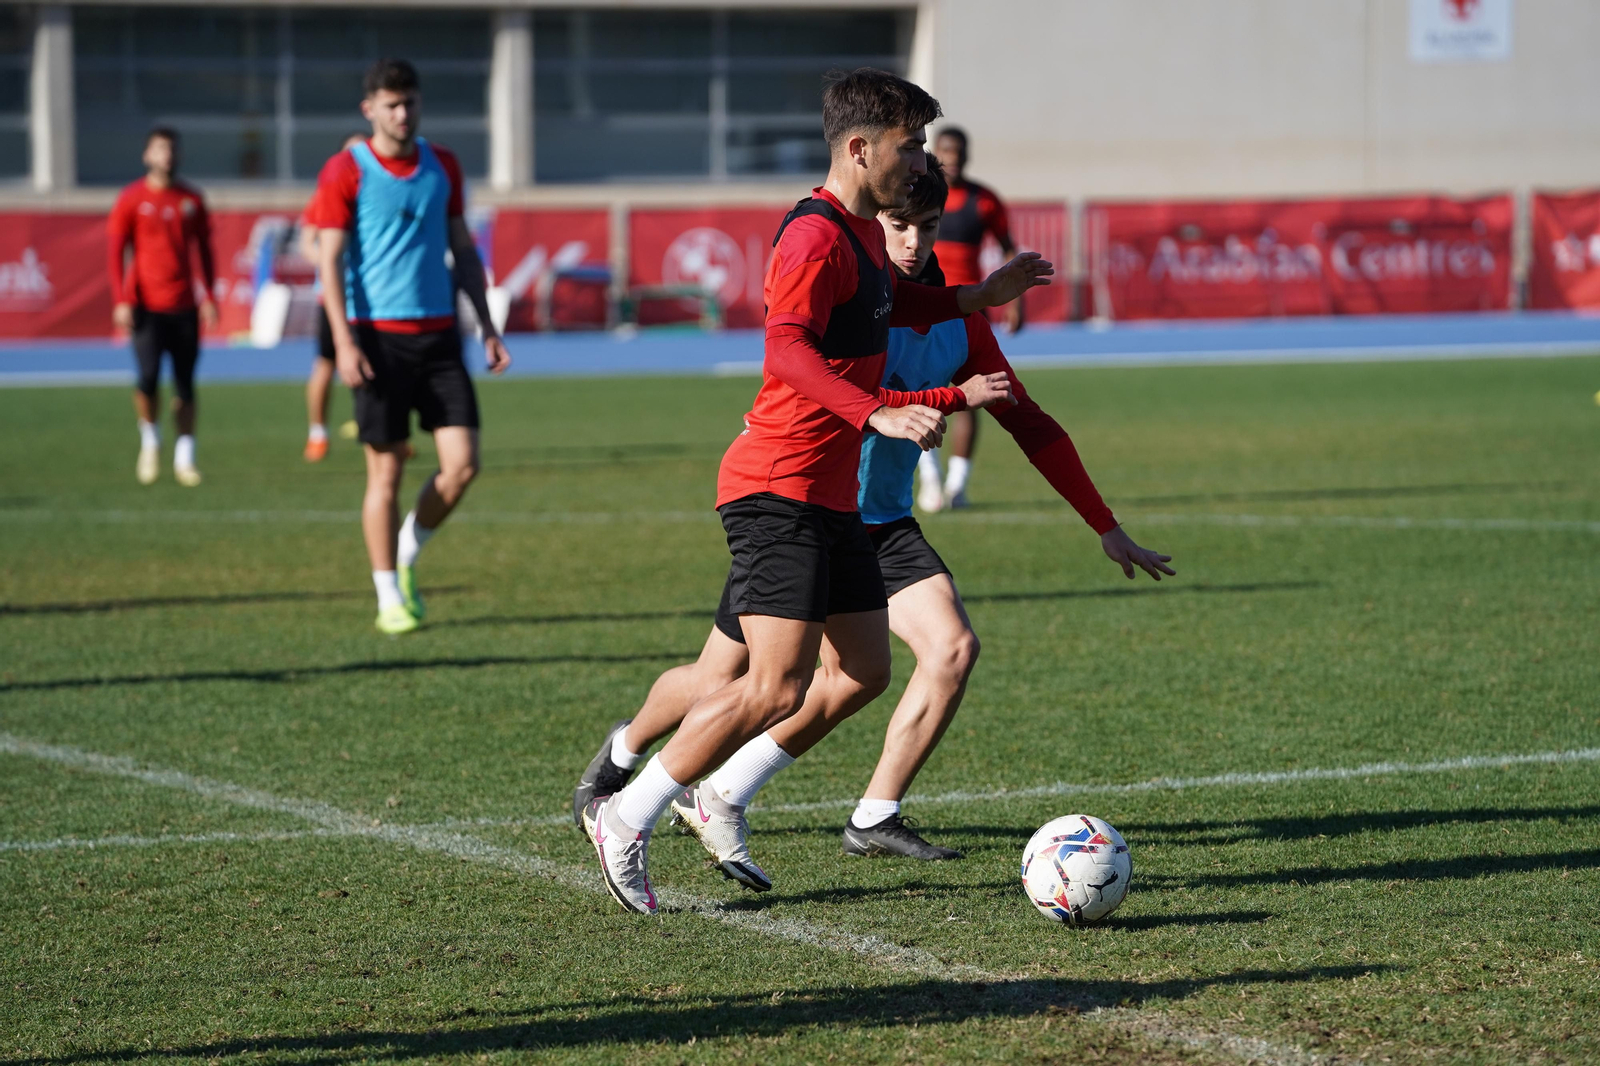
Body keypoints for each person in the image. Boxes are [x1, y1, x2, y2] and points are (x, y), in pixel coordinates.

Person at [573, 156, 1173, 874]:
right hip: (800, 504)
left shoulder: (958, 322)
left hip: (878, 523)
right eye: (900, 225)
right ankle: (624, 758)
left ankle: (848, 808)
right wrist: (953, 400)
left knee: (938, 651)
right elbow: (821, 393)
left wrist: (1104, 524)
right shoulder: (850, 297)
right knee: (723, 682)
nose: (915, 241)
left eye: (927, 227)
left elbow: (1031, 424)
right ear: (872, 220)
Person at [582, 67, 1052, 916]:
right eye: (909, 146)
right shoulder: (811, 237)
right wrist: (877, 412)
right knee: (772, 686)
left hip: (830, 497)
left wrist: (979, 296)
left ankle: (719, 796)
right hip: (776, 487)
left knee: (866, 668)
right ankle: (629, 812)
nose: (919, 162)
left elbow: (889, 303)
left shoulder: (865, 233)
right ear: (861, 148)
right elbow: (786, 352)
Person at [315, 58, 511, 635]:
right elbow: (327, 262)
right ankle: (386, 594)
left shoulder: (442, 163)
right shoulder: (345, 170)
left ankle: (407, 548)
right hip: (377, 340)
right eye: (391, 105)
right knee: (384, 475)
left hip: (440, 337)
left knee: (463, 466)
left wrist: (487, 324)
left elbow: (462, 249)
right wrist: (345, 344)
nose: (403, 114)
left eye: (411, 103)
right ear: (369, 109)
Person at [107, 127, 217, 487]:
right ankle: (150, 441)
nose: (166, 156)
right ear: (147, 156)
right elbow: (115, 251)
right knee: (148, 380)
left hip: (184, 306)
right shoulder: (131, 199)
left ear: (178, 155)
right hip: (146, 307)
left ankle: (186, 455)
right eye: (159, 150)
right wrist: (121, 299)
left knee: (185, 385)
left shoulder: (191, 199)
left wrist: (210, 297)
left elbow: (205, 251)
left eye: (171, 150)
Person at [920, 126, 1019, 512]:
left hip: (969, 313)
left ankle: (957, 485)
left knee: (972, 395)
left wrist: (1016, 302)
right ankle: (929, 480)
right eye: (946, 151)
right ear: (936, 153)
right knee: (922, 393)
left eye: (959, 151)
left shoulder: (984, 201)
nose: (953, 158)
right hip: (924, 307)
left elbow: (1009, 247)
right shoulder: (917, 193)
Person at [299, 132, 367, 462]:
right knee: (326, 365)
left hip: (374, 299)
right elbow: (308, 244)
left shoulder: (377, 192)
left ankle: (379, 432)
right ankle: (318, 433)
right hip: (336, 297)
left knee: (376, 368)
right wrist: (332, 261)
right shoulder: (329, 192)